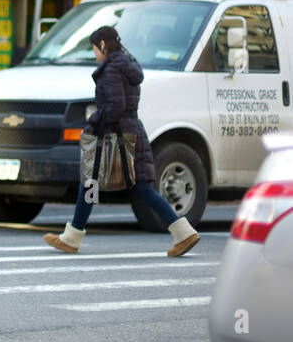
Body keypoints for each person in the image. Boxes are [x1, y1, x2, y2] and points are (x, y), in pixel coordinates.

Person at [43, 26, 201, 257]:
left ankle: (73, 237)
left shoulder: (112, 69)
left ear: (103, 46)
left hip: (113, 137)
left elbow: (115, 106)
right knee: (122, 186)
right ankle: (183, 233)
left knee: (94, 184)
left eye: (95, 48)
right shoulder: (126, 65)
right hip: (128, 132)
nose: (95, 53)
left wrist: (93, 122)